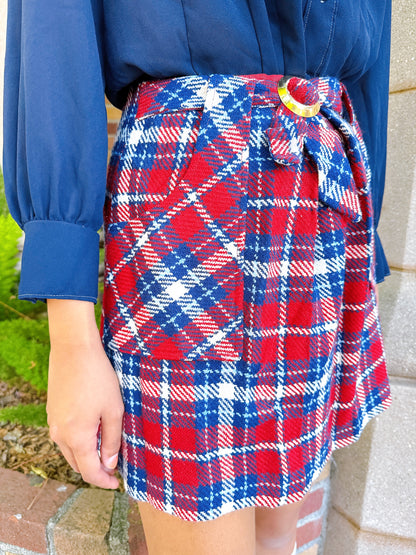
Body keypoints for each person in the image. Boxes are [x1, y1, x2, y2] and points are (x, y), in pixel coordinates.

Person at [3, 1, 392, 554]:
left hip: (321, 199)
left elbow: (366, 79)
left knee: (278, 530)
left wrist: (362, 239)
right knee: (202, 522)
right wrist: (71, 336)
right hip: (192, 184)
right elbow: (53, 49)